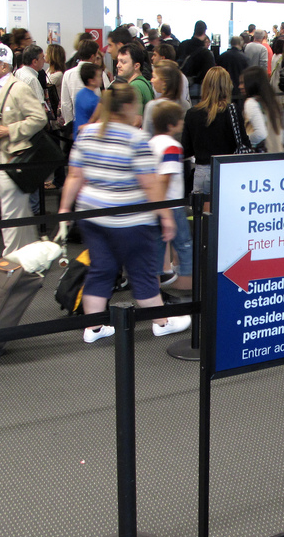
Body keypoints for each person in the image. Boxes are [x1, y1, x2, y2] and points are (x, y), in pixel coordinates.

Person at [58, 82, 190, 342]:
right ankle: (161, 322)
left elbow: (74, 176)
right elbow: (150, 184)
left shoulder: (86, 134)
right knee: (141, 272)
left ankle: (93, 328)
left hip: (92, 216)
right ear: (129, 106)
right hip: (131, 221)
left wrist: (63, 209)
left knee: (101, 270)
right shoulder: (136, 138)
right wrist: (165, 217)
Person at [0, 41, 47, 256]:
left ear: (4, 66)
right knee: (17, 209)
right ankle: (27, 255)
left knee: (11, 211)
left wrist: (10, 130)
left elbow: (39, 118)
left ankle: (12, 259)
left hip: (11, 157)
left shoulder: (18, 88)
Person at [181, 67, 245, 204]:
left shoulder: (192, 113)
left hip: (202, 171)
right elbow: (243, 143)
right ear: (228, 86)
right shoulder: (232, 111)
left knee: (203, 221)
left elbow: (186, 149)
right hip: (227, 170)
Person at [149, 100, 191, 290]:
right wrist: (165, 209)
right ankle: (187, 284)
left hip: (153, 204)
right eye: (180, 120)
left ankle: (155, 282)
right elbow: (165, 178)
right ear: (171, 125)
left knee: (157, 244)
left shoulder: (150, 144)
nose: (182, 123)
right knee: (183, 243)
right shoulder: (172, 147)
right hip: (171, 205)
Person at [242, 65, 284, 152]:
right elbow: (282, 135)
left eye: (243, 83)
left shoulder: (251, 103)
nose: (240, 86)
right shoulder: (273, 102)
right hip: (277, 153)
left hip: (261, 157)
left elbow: (260, 134)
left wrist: (244, 141)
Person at [72, 62, 101, 137]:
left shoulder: (79, 94)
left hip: (78, 135)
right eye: (99, 76)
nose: (101, 78)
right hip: (89, 136)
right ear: (91, 81)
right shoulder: (95, 100)